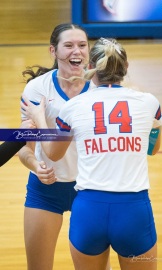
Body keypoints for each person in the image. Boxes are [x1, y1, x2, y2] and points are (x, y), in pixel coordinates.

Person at [21, 37, 162, 270]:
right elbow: (153, 149)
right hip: (133, 210)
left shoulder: (74, 106)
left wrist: (38, 117)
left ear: (90, 68)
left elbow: (52, 154)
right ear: (126, 67)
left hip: (89, 209)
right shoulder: (149, 103)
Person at [19, 24, 111, 270]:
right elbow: (23, 148)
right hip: (45, 190)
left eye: (82, 45)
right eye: (68, 45)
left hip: (91, 188)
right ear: (53, 50)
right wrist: (35, 165)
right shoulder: (37, 89)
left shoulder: (101, 88)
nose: (77, 51)